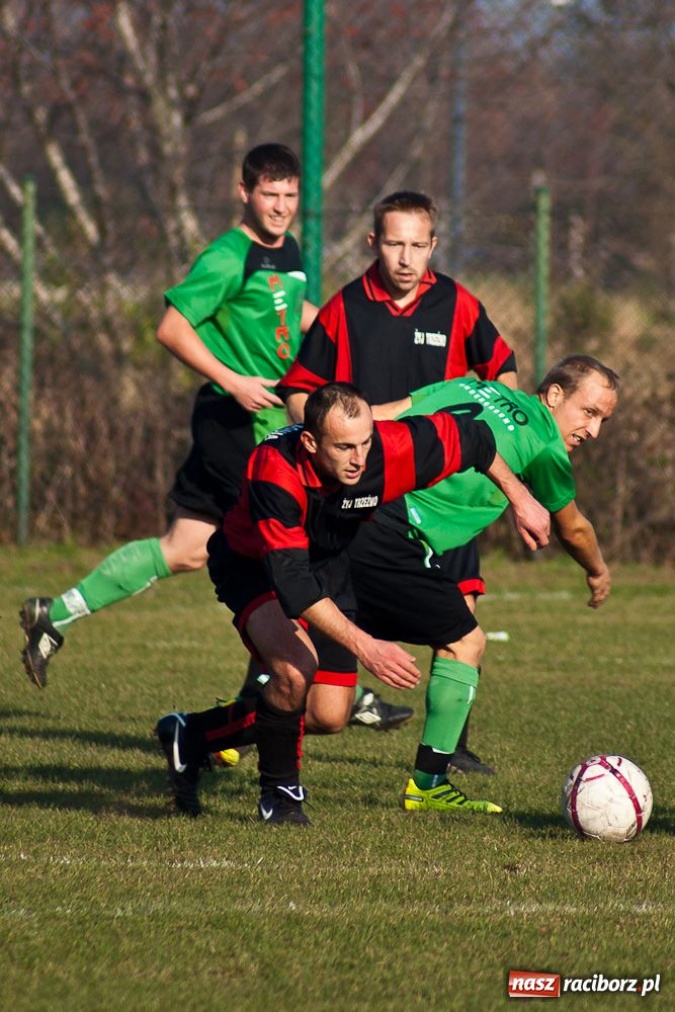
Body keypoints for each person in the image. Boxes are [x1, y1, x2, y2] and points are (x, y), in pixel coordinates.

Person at [155, 380, 550, 824]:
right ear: (310, 442)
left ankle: (192, 735)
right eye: (344, 447)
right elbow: (294, 585)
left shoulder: (388, 448)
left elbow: (474, 439)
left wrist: (523, 500)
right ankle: (280, 797)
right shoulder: (276, 470)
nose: (359, 458)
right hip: (253, 565)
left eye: (365, 442)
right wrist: (368, 647)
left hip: (326, 563)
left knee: (327, 715)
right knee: (294, 668)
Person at [19, 142, 316, 688]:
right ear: (244, 192)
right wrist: (234, 381)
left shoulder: (288, 249)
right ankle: (294, 688)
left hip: (261, 420)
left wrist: (342, 328)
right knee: (282, 548)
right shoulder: (227, 257)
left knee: (184, 549)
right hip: (235, 421)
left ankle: (53, 614)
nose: (280, 207)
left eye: (290, 195)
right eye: (269, 194)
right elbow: (171, 328)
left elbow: (288, 311)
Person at [254, 189, 519, 756]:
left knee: (462, 611)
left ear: (434, 246)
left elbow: (502, 371)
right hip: (369, 491)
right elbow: (299, 389)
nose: (405, 258)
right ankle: (267, 694)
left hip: (443, 486)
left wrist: (499, 430)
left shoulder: (458, 304)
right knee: (317, 625)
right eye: (395, 244)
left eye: (418, 246)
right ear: (373, 242)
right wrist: (321, 444)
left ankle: (451, 750)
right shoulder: (346, 308)